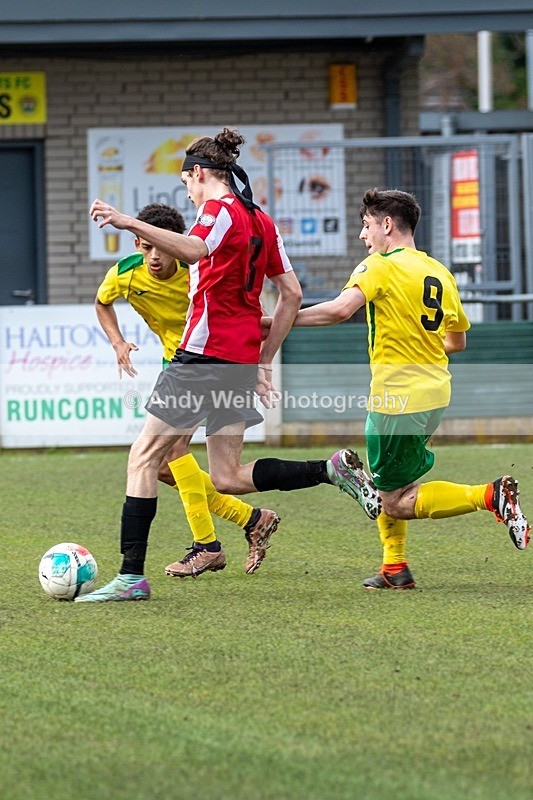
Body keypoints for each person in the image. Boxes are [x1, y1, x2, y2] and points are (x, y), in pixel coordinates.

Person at [78, 127, 308, 602]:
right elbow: (292, 294)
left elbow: (195, 249)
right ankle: (325, 471)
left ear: (198, 173)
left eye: (186, 182)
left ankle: (134, 576)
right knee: (224, 473)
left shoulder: (217, 210)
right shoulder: (261, 219)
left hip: (201, 356)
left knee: (146, 457)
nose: (187, 192)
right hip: (238, 358)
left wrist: (126, 221)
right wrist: (265, 359)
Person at [262, 187, 529, 588]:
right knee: (391, 482)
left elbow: (339, 310)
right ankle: (394, 569)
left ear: (387, 225)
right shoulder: (439, 272)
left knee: (394, 502)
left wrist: (272, 323)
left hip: (397, 397)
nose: (363, 235)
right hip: (435, 392)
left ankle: (490, 496)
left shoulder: (379, 266)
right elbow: (457, 341)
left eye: (366, 225)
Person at [95, 202, 275, 581]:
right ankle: (250, 518)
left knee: (168, 454)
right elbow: (102, 302)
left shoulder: (199, 270)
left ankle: (208, 546)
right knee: (162, 466)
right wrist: (118, 342)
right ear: (138, 243)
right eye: (146, 247)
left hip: (209, 361)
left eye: (162, 247)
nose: (155, 256)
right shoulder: (125, 274)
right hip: (176, 364)